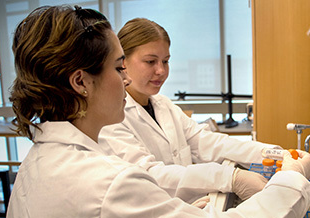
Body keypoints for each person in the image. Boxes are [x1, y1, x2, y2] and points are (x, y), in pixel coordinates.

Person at [4, 6, 310, 218]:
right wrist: (293, 181)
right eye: (118, 67)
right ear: (81, 82)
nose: (124, 78)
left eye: (165, 61)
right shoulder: (109, 184)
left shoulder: (37, 162)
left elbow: (205, 143)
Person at [99, 18, 285, 203]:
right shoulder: (110, 120)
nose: (161, 71)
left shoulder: (164, 105)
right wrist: (228, 178)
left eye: (165, 61)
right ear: (123, 62)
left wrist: (274, 153)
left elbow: (209, 143)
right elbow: (149, 173)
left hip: (185, 210)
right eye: (150, 61)